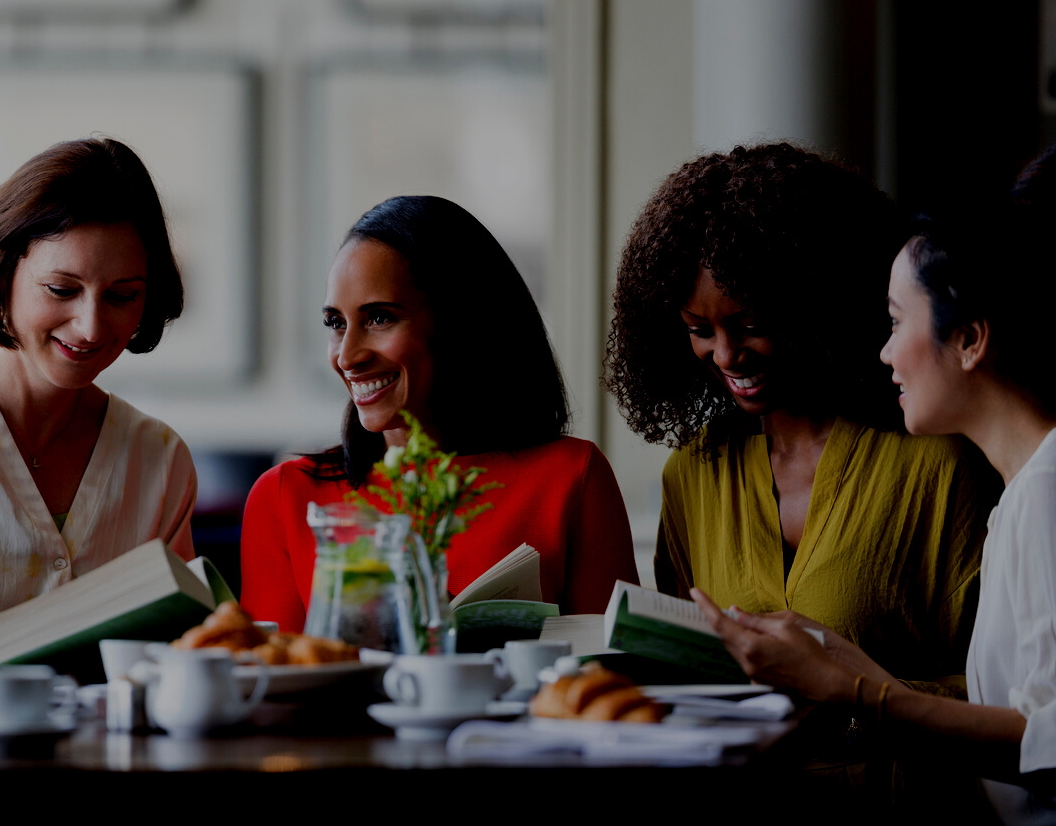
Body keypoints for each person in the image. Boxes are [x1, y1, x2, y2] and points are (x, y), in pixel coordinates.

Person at [692, 178, 1056, 823]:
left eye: (895, 322)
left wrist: (855, 693)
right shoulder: (1020, 496)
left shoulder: (1047, 494)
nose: (884, 352)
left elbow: (1049, 750)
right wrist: (842, 663)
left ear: (970, 340)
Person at [604, 143, 997, 690]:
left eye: (750, 323)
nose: (725, 355)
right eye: (700, 331)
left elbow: (997, 695)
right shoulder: (694, 472)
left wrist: (852, 702)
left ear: (818, 302)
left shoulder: (937, 463)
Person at [240, 195, 638, 632]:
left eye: (378, 318)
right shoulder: (285, 497)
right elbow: (264, 686)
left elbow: (613, 679)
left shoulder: (572, 478)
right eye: (336, 323)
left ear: (460, 323)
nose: (347, 356)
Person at [0, 137, 195, 619]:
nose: (90, 326)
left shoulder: (158, 460)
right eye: (62, 289)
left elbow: (181, 649)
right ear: (2, 276)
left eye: (122, 296)